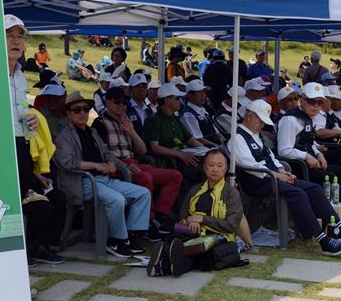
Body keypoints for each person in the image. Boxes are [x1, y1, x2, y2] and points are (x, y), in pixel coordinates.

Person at [233, 100, 341, 256]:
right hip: (257, 181)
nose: (263, 125)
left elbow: (271, 157)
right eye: (260, 121)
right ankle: (322, 239)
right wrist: (277, 175)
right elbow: (247, 163)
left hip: (274, 176)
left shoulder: (256, 135)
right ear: (249, 116)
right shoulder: (237, 137)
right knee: (298, 194)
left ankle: (337, 226)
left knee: (314, 189)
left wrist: (283, 170)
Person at [55, 92, 151, 257]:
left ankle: (130, 236)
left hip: (103, 180)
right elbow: (67, 162)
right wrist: (96, 165)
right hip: (82, 182)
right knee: (117, 199)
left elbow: (107, 153)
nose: (83, 113)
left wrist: (113, 163)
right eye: (77, 110)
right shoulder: (64, 136)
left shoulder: (92, 132)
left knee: (143, 193)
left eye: (85, 109)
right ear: (68, 114)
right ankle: (115, 240)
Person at [4, 15, 65, 266]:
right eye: (9, 35)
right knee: (6, 207)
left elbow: (20, 110)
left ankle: (32, 250)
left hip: (22, 147)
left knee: (47, 203)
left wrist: (31, 121)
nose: (16, 41)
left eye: (20, 36)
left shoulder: (20, 74)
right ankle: (7, 257)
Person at [92, 88, 182, 241]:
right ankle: (147, 221)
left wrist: (132, 132)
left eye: (125, 102)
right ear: (107, 101)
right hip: (116, 167)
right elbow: (101, 154)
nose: (122, 105)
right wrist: (123, 166)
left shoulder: (126, 120)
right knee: (145, 178)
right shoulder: (100, 124)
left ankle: (158, 217)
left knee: (174, 176)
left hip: (135, 162)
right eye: (117, 102)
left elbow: (142, 149)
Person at [147, 149, 244, 277]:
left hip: (218, 238)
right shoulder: (195, 190)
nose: (215, 169)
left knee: (201, 252)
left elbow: (231, 225)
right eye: (211, 165)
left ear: (225, 169)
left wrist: (203, 220)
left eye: (219, 166)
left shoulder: (231, 193)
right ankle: (168, 264)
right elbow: (182, 214)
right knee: (180, 242)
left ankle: (163, 266)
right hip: (192, 233)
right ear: (204, 167)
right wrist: (190, 221)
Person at [277, 82, 341, 222]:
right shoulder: (290, 120)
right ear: (302, 100)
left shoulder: (307, 118)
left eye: (320, 102)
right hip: (297, 167)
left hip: (309, 162)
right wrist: (307, 156)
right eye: (312, 102)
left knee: (339, 170)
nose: (316, 106)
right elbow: (284, 150)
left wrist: (319, 154)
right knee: (329, 175)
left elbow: (310, 142)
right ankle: (331, 216)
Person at [144, 83, 205, 188]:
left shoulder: (175, 119)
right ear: (167, 100)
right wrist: (179, 154)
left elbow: (191, 140)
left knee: (213, 165)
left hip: (184, 158)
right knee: (205, 171)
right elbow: (155, 147)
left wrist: (207, 152)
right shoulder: (153, 120)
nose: (180, 101)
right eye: (177, 98)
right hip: (170, 161)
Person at [180, 79, 223, 147]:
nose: (203, 95)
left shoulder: (203, 111)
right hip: (205, 150)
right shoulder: (188, 114)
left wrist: (225, 143)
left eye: (204, 92)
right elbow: (198, 139)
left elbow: (216, 132)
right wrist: (219, 147)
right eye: (199, 92)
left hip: (215, 145)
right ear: (190, 95)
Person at [127, 73, 153, 138]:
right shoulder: (125, 107)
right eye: (137, 86)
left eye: (144, 87)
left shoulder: (149, 109)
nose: (141, 89)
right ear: (130, 89)